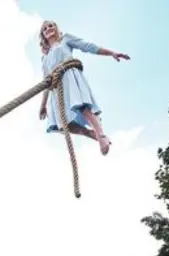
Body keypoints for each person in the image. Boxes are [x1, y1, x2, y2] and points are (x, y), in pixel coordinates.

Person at [38, 20, 130, 156]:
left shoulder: (65, 39)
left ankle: (101, 135)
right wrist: (43, 105)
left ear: (56, 28)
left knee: (82, 107)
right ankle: (91, 134)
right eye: (45, 28)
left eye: (51, 25)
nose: (48, 28)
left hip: (69, 78)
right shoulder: (44, 58)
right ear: (43, 35)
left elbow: (87, 46)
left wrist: (111, 53)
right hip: (57, 90)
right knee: (64, 125)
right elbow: (46, 82)